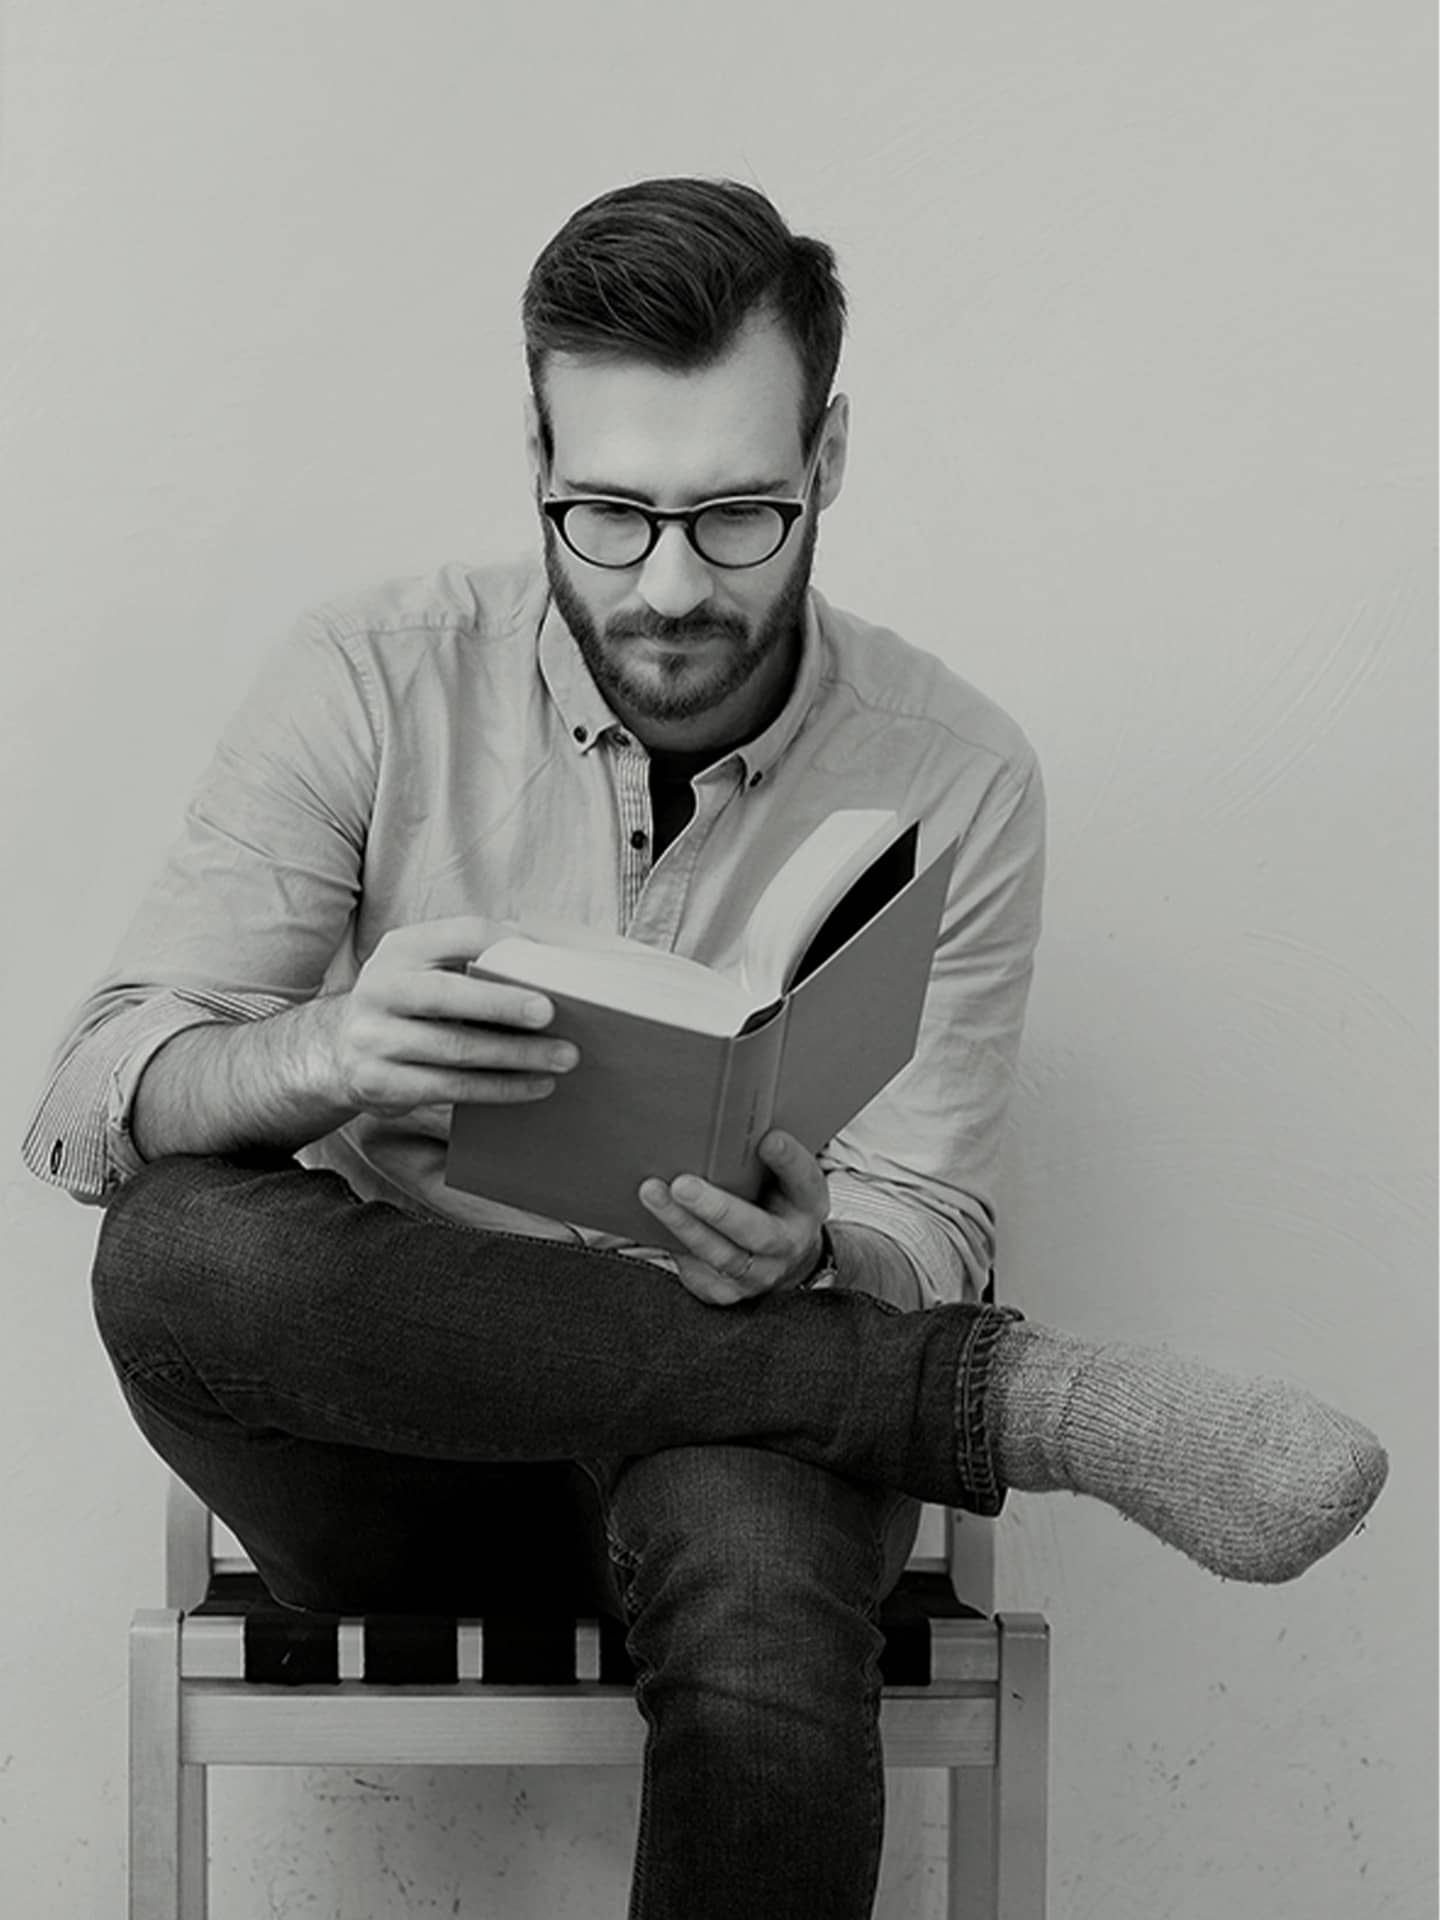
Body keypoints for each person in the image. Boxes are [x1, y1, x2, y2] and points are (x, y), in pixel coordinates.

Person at [23, 177, 1386, 1920]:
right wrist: (329, 1056)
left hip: (742, 1467)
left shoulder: (956, 772)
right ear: (534, 456)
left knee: (753, 1544)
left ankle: (887, 1386)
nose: (669, 586)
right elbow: (89, 1099)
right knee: (171, 1258)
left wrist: (828, 1249)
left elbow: (930, 1220)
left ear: (828, 457)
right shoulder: (368, 675)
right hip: (410, 1457)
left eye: (738, 515)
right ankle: (995, 1399)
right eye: (608, 514)